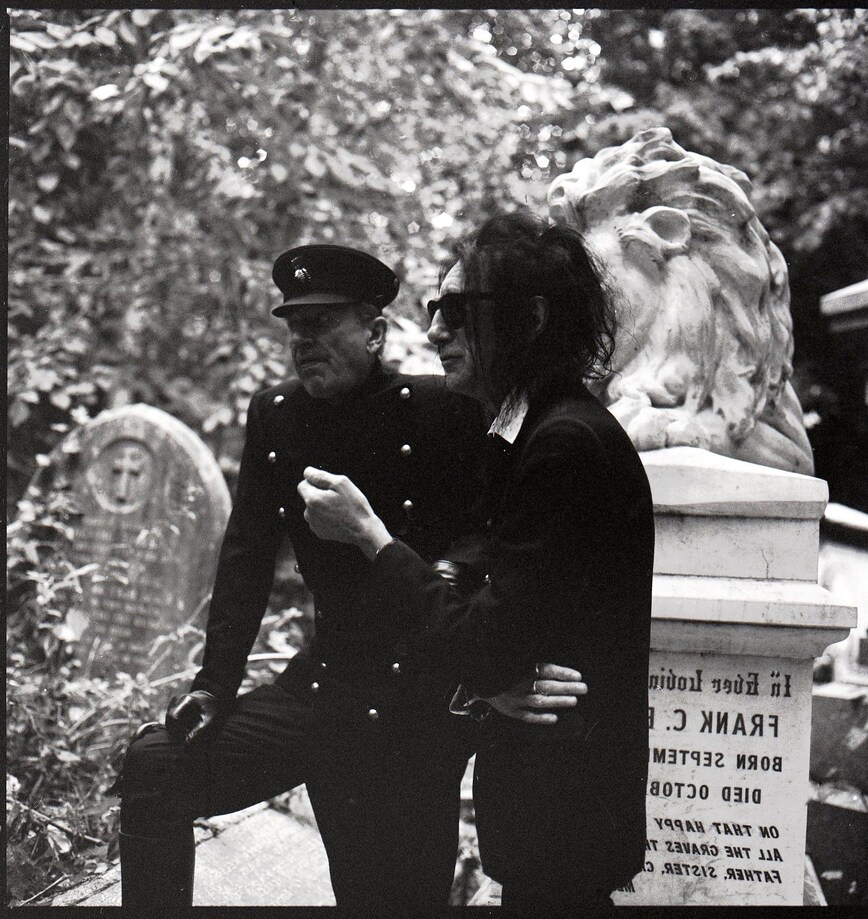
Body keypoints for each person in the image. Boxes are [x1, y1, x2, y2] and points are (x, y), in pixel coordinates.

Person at [112, 243, 585, 915]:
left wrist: (455, 580)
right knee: (157, 764)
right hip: (323, 685)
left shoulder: (444, 410)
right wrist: (213, 686)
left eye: (324, 324)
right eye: (295, 326)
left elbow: (496, 535)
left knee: (387, 896)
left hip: (413, 707)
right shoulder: (277, 414)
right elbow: (247, 554)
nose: (304, 341)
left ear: (375, 331)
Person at [300, 211, 656, 916]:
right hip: (549, 814)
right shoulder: (524, 433)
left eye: (456, 313)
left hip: (563, 817)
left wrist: (371, 535)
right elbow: (497, 634)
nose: (433, 331)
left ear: (529, 319)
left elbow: (488, 644)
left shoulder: (563, 447)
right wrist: (486, 681)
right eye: (435, 310)